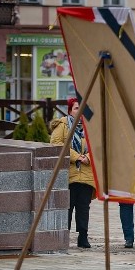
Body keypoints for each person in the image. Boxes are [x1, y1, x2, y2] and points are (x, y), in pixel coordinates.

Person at [50, 97, 95, 248]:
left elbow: (99, 145)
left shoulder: (92, 126)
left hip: (86, 174)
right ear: (70, 110)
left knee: (83, 208)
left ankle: (83, 237)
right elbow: (56, 144)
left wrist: (88, 157)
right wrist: (77, 157)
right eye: (76, 108)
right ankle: (64, 237)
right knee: (67, 207)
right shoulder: (62, 125)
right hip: (68, 174)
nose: (79, 112)